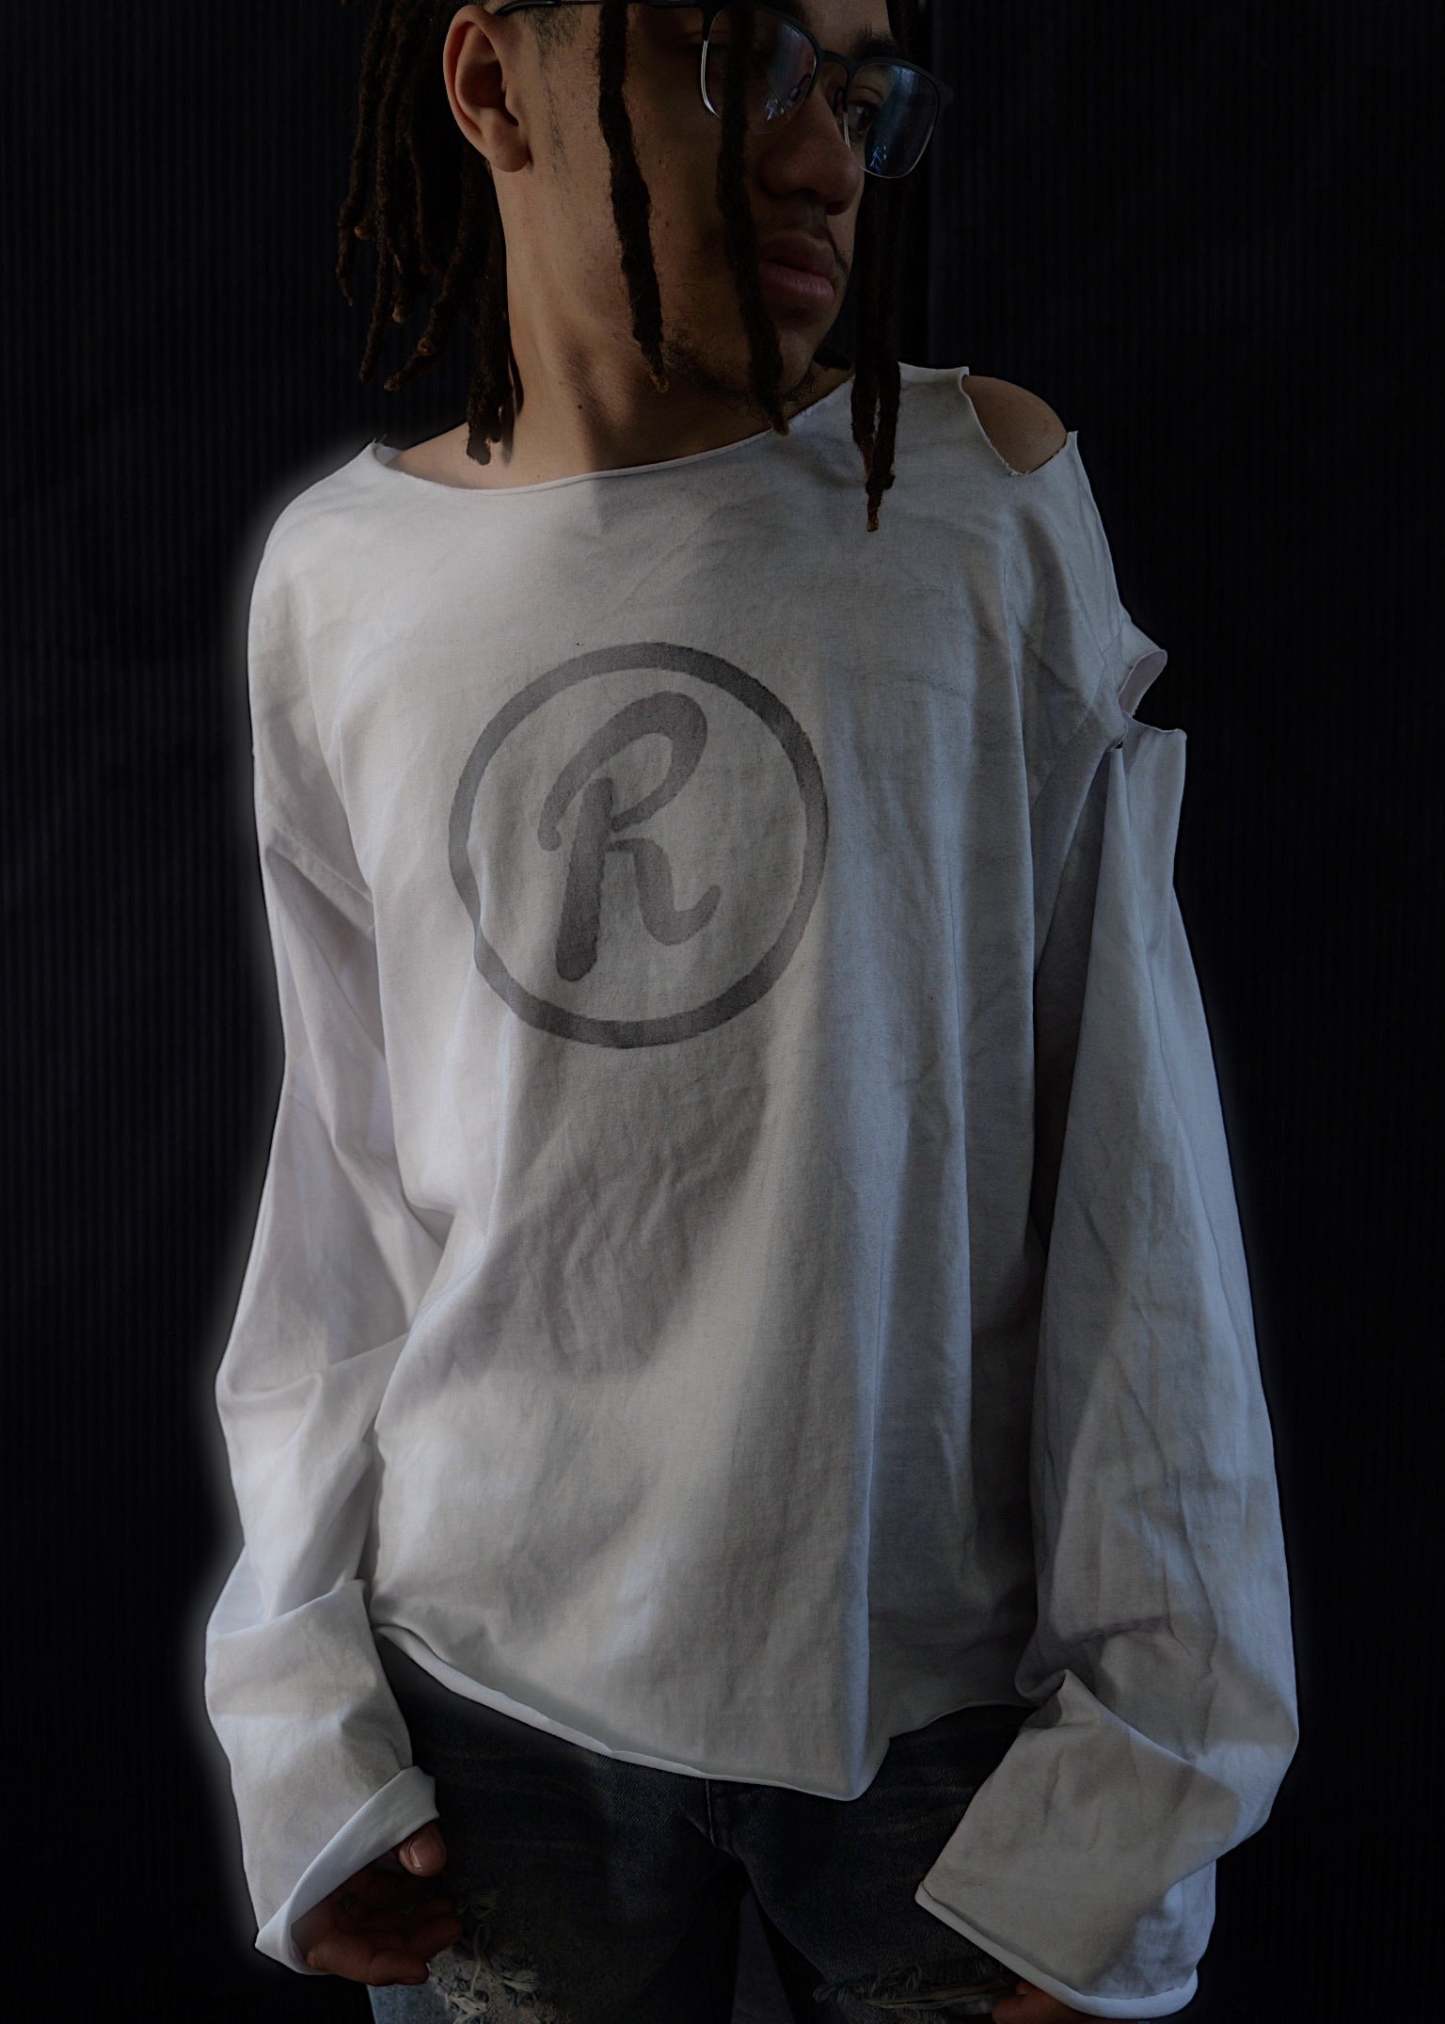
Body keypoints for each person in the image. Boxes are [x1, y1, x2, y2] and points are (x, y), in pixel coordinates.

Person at [201, 3, 1299, 2019]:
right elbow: (343, 1204)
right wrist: (301, 1734)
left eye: (861, 92)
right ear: (491, 83)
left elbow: (1135, 1172)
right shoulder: (341, 577)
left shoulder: (972, 505)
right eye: (741, 56)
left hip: (932, 1716)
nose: (822, 161)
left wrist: (1146, 1772)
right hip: (486, 1723)